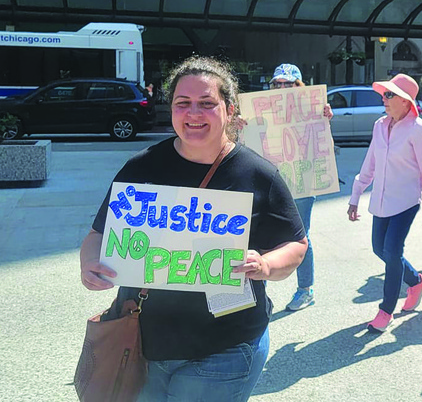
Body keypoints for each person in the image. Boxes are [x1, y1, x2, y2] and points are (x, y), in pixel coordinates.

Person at [79, 56, 308, 401]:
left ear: (229, 110)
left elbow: (296, 244)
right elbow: (99, 234)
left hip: (226, 348)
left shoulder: (258, 174)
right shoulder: (141, 167)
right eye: (182, 103)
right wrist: (90, 265)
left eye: (207, 103)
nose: (193, 113)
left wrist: (266, 266)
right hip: (143, 342)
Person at [348, 73, 422, 332]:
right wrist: (355, 196)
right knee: (381, 249)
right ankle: (417, 282)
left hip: (406, 202)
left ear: (406, 101)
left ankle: (385, 310)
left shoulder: (418, 130)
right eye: (384, 94)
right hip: (381, 201)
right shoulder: (379, 125)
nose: (384, 99)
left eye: (390, 95)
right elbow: (370, 164)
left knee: (393, 251)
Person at [261, 64, 333, 311]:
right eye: (277, 83)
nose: (282, 87)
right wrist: (241, 125)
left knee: (301, 236)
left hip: (302, 182)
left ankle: (306, 290)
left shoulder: (312, 111)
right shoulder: (262, 110)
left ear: (299, 86)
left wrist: (324, 119)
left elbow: (321, 145)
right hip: (272, 182)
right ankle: (259, 294)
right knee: (262, 235)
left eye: (288, 83)